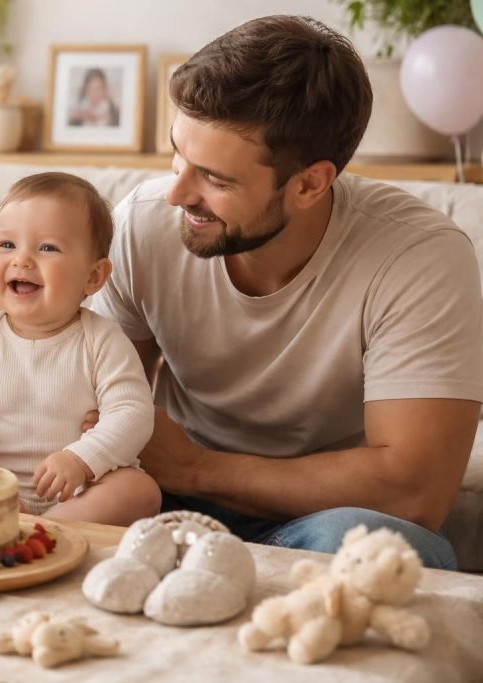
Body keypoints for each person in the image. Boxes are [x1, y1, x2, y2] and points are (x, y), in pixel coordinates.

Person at [89, 15, 483, 569]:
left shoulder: (417, 256)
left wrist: (197, 468)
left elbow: (414, 492)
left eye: (215, 179)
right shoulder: (142, 223)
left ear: (310, 184)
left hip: (317, 519)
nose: (177, 192)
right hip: (162, 503)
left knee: (394, 550)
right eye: (178, 154)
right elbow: (90, 397)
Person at [0, 173, 159, 525]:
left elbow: (132, 412)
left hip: (83, 488)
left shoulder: (102, 339)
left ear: (94, 277)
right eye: (6, 245)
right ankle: (24, 524)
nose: (22, 260)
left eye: (48, 248)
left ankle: (51, 527)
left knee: (139, 490)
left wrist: (81, 458)